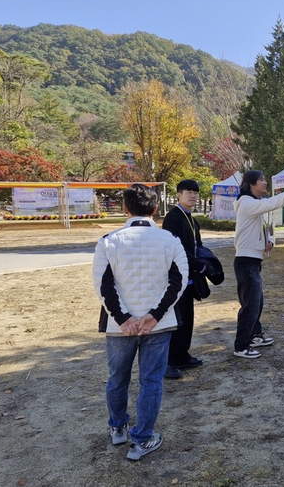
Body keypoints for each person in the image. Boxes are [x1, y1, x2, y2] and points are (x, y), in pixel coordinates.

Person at [93, 184, 188, 461]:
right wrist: (155, 314)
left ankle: (118, 428)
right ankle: (142, 439)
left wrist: (124, 319)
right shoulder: (169, 240)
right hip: (157, 325)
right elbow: (178, 282)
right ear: (155, 209)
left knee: (117, 378)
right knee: (151, 381)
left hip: (118, 327)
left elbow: (103, 286)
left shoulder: (108, 241)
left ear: (125, 208)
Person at [233, 170, 284, 358]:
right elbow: (272, 203)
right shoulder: (246, 203)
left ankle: (254, 335)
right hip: (246, 261)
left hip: (252, 260)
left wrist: (266, 244)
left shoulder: (252, 204)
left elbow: (260, 230)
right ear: (251, 184)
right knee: (250, 305)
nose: (264, 182)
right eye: (261, 180)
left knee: (257, 302)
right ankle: (241, 346)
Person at [162, 179, 205, 379]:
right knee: (175, 320)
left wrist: (205, 265)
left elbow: (198, 247)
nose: (193, 195)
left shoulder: (192, 219)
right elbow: (176, 249)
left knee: (187, 318)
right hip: (176, 278)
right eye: (188, 191)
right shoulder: (172, 218)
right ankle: (168, 360)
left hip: (190, 277)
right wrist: (198, 264)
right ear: (178, 194)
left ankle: (182, 355)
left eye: (195, 192)